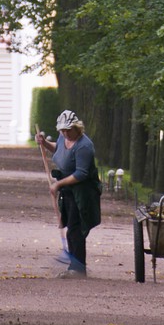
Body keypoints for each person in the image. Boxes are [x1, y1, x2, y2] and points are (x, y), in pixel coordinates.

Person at [35, 110, 101, 278]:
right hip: (69, 190)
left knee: (76, 228)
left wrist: (58, 184)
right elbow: (59, 150)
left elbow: (81, 174)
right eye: (62, 131)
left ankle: (78, 268)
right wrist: (45, 143)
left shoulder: (84, 146)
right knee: (70, 225)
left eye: (68, 130)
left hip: (83, 191)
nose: (65, 133)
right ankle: (75, 265)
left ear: (76, 128)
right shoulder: (64, 138)